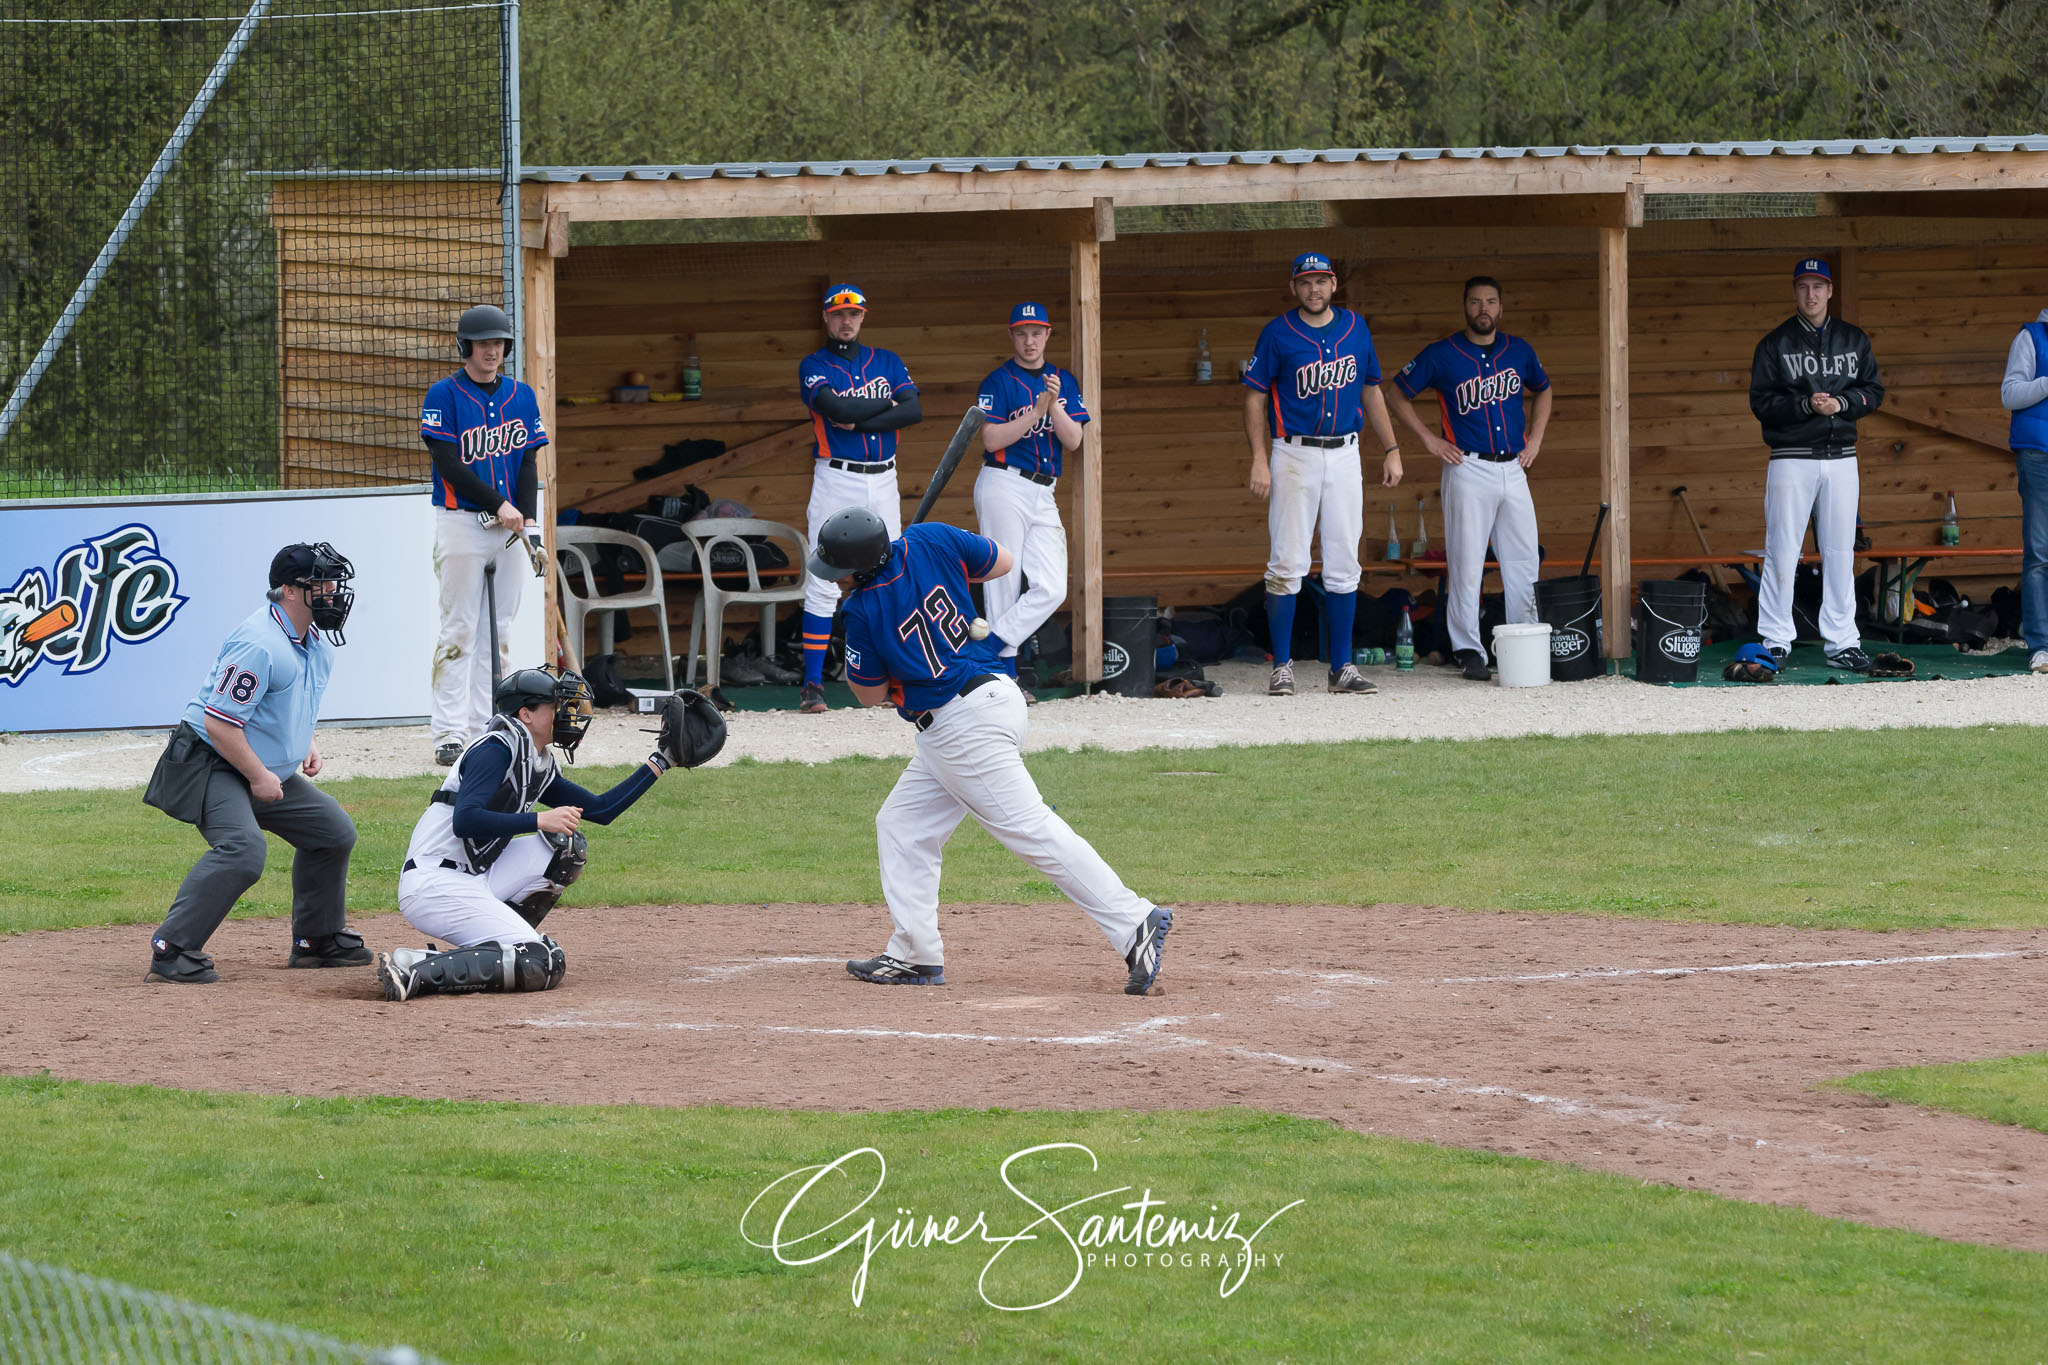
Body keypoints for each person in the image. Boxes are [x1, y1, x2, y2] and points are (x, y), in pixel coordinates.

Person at [814, 507, 1171, 995]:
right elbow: (1002, 562)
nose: (835, 582)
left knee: (1030, 829)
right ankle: (915, 954)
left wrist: (889, 621)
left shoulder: (861, 611)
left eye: (840, 573)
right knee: (902, 825)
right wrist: (927, 576)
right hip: (992, 699)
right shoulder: (928, 537)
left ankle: (1135, 920)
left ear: (861, 566)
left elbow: (869, 694)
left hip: (962, 727)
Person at [142, 544, 366, 984]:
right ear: (288, 590)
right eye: (320, 583)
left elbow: (285, 703)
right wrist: (260, 775)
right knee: (243, 850)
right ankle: (172, 950)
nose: (332, 593)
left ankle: (316, 941)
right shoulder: (259, 643)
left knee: (332, 832)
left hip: (254, 764)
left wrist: (304, 742)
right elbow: (219, 723)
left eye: (333, 583)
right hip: (208, 761)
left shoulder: (315, 644)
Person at [378, 665, 671, 1001]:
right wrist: (538, 820)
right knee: (540, 960)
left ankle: (503, 942)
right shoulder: (496, 748)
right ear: (526, 714)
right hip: (433, 885)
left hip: (475, 878)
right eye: (555, 706)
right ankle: (412, 966)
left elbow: (601, 809)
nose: (565, 714)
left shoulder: (536, 760)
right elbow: (466, 820)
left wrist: (661, 761)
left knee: (565, 846)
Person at [1241, 251, 1402, 696]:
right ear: (1294, 288)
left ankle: (1342, 667)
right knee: (1288, 561)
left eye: (1321, 281)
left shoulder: (1355, 327)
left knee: (1344, 561)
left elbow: (1371, 389)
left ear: (1334, 285)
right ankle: (1282, 666)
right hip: (1294, 453)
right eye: (1306, 282)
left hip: (1346, 453)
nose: (1314, 289)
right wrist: (1258, 457)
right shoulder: (1277, 333)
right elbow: (1254, 396)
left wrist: (1391, 448)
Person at [1386, 276, 1554, 682]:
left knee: (1524, 559)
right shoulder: (1443, 353)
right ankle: (1469, 649)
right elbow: (1395, 392)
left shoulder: (1519, 350)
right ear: (1465, 306)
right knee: (1466, 562)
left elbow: (1544, 389)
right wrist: (1428, 439)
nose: (1484, 309)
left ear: (1501, 307)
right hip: (1468, 465)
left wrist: (1535, 439)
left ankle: (1521, 642)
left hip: (1513, 466)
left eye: (1491, 302)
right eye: (1476, 302)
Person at [420, 303, 549, 765]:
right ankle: (449, 733)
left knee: (501, 633)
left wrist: (530, 526)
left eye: (498, 342)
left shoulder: (522, 395)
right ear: (466, 347)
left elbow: (529, 463)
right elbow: (448, 463)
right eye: (483, 342)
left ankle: (488, 726)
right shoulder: (444, 394)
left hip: (511, 527)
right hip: (461, 524)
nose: (492, 350)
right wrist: (500, 505)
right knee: (459, 628)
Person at [1749, 257, 1884, 672]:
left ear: (1830, 291)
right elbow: (1762, 403)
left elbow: (1873, 391)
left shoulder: (1853, 339)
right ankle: (1775, 640)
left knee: (1841, 551)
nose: (1811, 294)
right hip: (1791, 457)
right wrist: (1806, 405)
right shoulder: (1775, 344)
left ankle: (1842, 641)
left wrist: (1841, 404)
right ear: (1795, 292)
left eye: (1818, 287)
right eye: (1804, 287)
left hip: (1842, 457)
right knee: (1782, 550)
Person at [795, 284, 923, 714]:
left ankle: (892, 680)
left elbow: (914, 410)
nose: (845, 321)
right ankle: (813, 686)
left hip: (884, 478)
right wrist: (881, 406)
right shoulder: (815, 364)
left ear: (863, 317)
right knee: (823, 578)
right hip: (837, 476)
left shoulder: (884, 360)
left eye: (853, 314)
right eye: (837, 314)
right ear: (826, 318)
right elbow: (837, 411)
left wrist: (864, 420)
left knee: (890, 572)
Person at [973, 301, 1085, 695]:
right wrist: (1036, 410)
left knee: (1052, 587)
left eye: (1036, 332)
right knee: (1002, 578)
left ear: (1047, 335)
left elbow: (1074, 440)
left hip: (1044, 488)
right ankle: (1006, 674)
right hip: (1005, 482)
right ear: (1012, 337)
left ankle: (988, 647)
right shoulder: (999, 380)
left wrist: (1052, 405)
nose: (1030, 340)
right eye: (1022, 333)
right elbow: (991, 438)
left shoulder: (1062, 380)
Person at [2000, 306, 2048, 672]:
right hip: (2039, 457)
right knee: (2039, 555)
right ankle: (2040, 647)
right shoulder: (2030, 337)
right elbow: (2010, 394)